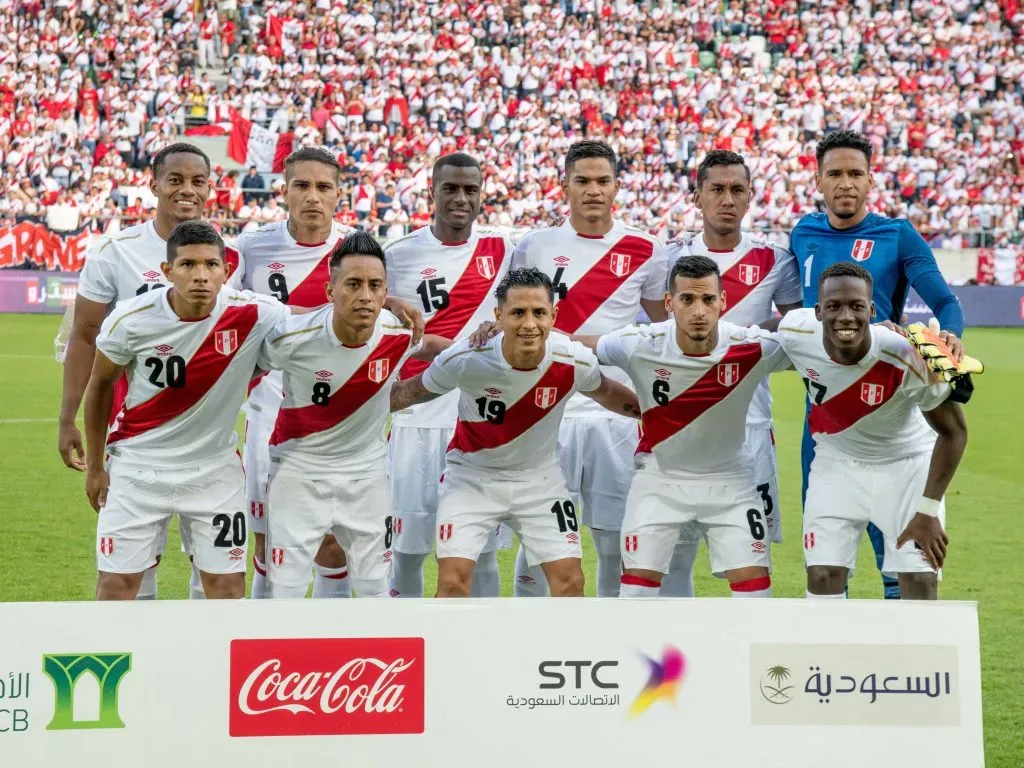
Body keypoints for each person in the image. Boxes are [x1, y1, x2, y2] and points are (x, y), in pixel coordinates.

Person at [232, 146, 422, 599]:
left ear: (339, 194)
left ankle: (328, 642)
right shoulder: (251, 248)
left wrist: (390, 300)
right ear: (284, 191)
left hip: (344, 415)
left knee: (336, 545)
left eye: (323, 187)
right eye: (301, 186)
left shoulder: (357, 247)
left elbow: (375, 303)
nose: (312, 197)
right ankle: (269, 637)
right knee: (270, 540)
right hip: (273, 412)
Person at [389, 268, 642, 597]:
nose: (529, 324)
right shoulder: (466, 358)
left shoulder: (572, 358)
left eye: (539, 313)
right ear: (499, 315)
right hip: (471, 479)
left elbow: (609, 393)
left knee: (570, 581)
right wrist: (347, 410)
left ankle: (565, 650)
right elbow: (409, 393)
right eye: (518, 313)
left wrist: (657, 417)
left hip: (541, 480)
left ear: (554, 314)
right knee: (452, 581)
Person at [789, 129, 966, 599]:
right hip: (824, 422)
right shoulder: (803, 232)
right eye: (835, 174)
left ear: (870, 180)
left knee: (899, 557)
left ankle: (901, 659)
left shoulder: (897, 235)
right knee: (826, 562)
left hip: (889, 408)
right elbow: (793, 317)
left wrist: (950, 341)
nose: (845, 183)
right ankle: (835, 659)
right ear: (818, 180)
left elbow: (946, 304)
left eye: (855, 173)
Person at [58, 142, 232, 601]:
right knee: (133, 569)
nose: (186, 190)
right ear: (153, 184)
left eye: (197, 181)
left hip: (208, 436)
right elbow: (84, 335)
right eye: (175, 180)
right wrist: (67, 418)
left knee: (214, 571)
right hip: (133, 434)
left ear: (210, 188)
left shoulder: (227, 255)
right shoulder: (116, 252)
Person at [83, 221, 289, 600]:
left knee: (226, 589)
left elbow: (323, 323)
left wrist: (387, 301)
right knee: (115, 586)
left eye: (211, 265)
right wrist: (96, 466)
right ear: (167, 272)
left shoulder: (257, 314)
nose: (201, 276)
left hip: (215, 473)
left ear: (227, 271)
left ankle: (211, 660)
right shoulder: (131, 318)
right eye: (188, 265)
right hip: (137, 467)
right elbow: (99, 386)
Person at [574, 256, 789, 599]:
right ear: (669, 303)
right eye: (687, 300)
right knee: (635, 597)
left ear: (723, 302)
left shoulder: (752, 346)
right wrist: (511, 332)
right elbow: (572, 345)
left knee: (755, 598)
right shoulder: (640, 343)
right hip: (660, 479)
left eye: (708, 300)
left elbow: (825, 347)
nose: (699, 311)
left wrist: (883, 330)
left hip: (730, 482)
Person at [510, 140, 668, 598]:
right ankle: (529, 634)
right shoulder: (534, 246)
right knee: (541, 535)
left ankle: (607, 637)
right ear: (565, 185)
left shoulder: (646, 248)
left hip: (614, 412)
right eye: (583, 181)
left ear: (617, 186)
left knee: (612, 536)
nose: (593, 191)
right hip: (547, 409)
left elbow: (660, 330)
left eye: (603, 181)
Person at [258, 232, 451, 599]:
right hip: (298, 472)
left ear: (385, 291)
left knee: (375, 588)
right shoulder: (291, 337)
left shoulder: (398, 332)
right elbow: (247, 366)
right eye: (353, 284)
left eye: (375, 286)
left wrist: (478, 349)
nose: (365, 295)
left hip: (367, 475)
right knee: (285, 591)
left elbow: (431, 347)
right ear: (330, 291)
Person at [778, 263, 968, 599]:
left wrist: (927, 510)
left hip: (907, 465)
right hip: (836, 462)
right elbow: (762, 337)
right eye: (834, 306)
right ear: (818, 311)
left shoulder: (908, 357)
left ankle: (913, 654)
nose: (846, 316)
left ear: (872, 309)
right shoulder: (795, 331)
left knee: (919, 582)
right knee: (821, 575)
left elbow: (954, 433)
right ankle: (826, 653)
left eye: (856, 306)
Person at [663, 150, 803, 597]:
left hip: (750, 429)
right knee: (672, 561)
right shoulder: (667, 257)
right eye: (717, 189)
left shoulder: (775, 261)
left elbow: (799, 330)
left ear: (750, 198)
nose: (727, 199)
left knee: (749, 564)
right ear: (698, 196)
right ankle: (674, 666)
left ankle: (746, 664)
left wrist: (748, 336)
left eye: (737, 190)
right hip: (676, 428)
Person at [384, 152, 513, 599]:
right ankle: (407, 646)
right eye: (450, 189)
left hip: (480, 418)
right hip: (417, 416)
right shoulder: (398, 255)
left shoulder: (503, 251)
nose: (461, 198)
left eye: (470, 190)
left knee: (480, 548)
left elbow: (516, 320)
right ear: (431, 194)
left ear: (481, 195)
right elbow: (386, 331)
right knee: (408, 545)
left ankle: (482, 646)